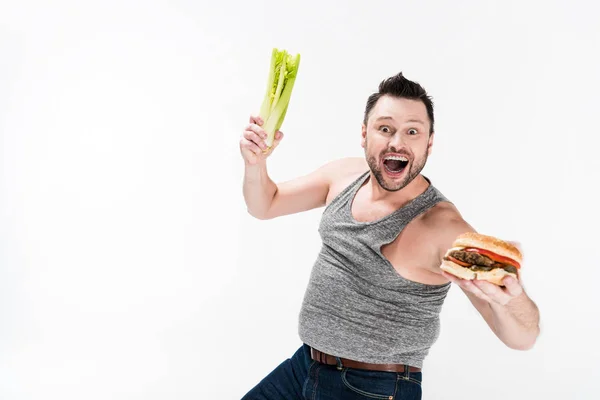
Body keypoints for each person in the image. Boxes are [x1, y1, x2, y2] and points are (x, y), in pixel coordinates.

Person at [238, 72, 540, 400]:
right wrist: (256, 164)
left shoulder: (443, 227)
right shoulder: (343, 175)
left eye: (412, 131)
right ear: (364, 134)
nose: (397, 142)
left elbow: (523, 337)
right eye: (385, 128)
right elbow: (265, 204)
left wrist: (513, 299)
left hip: (372, 389)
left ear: (429, 142)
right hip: (304, 367)